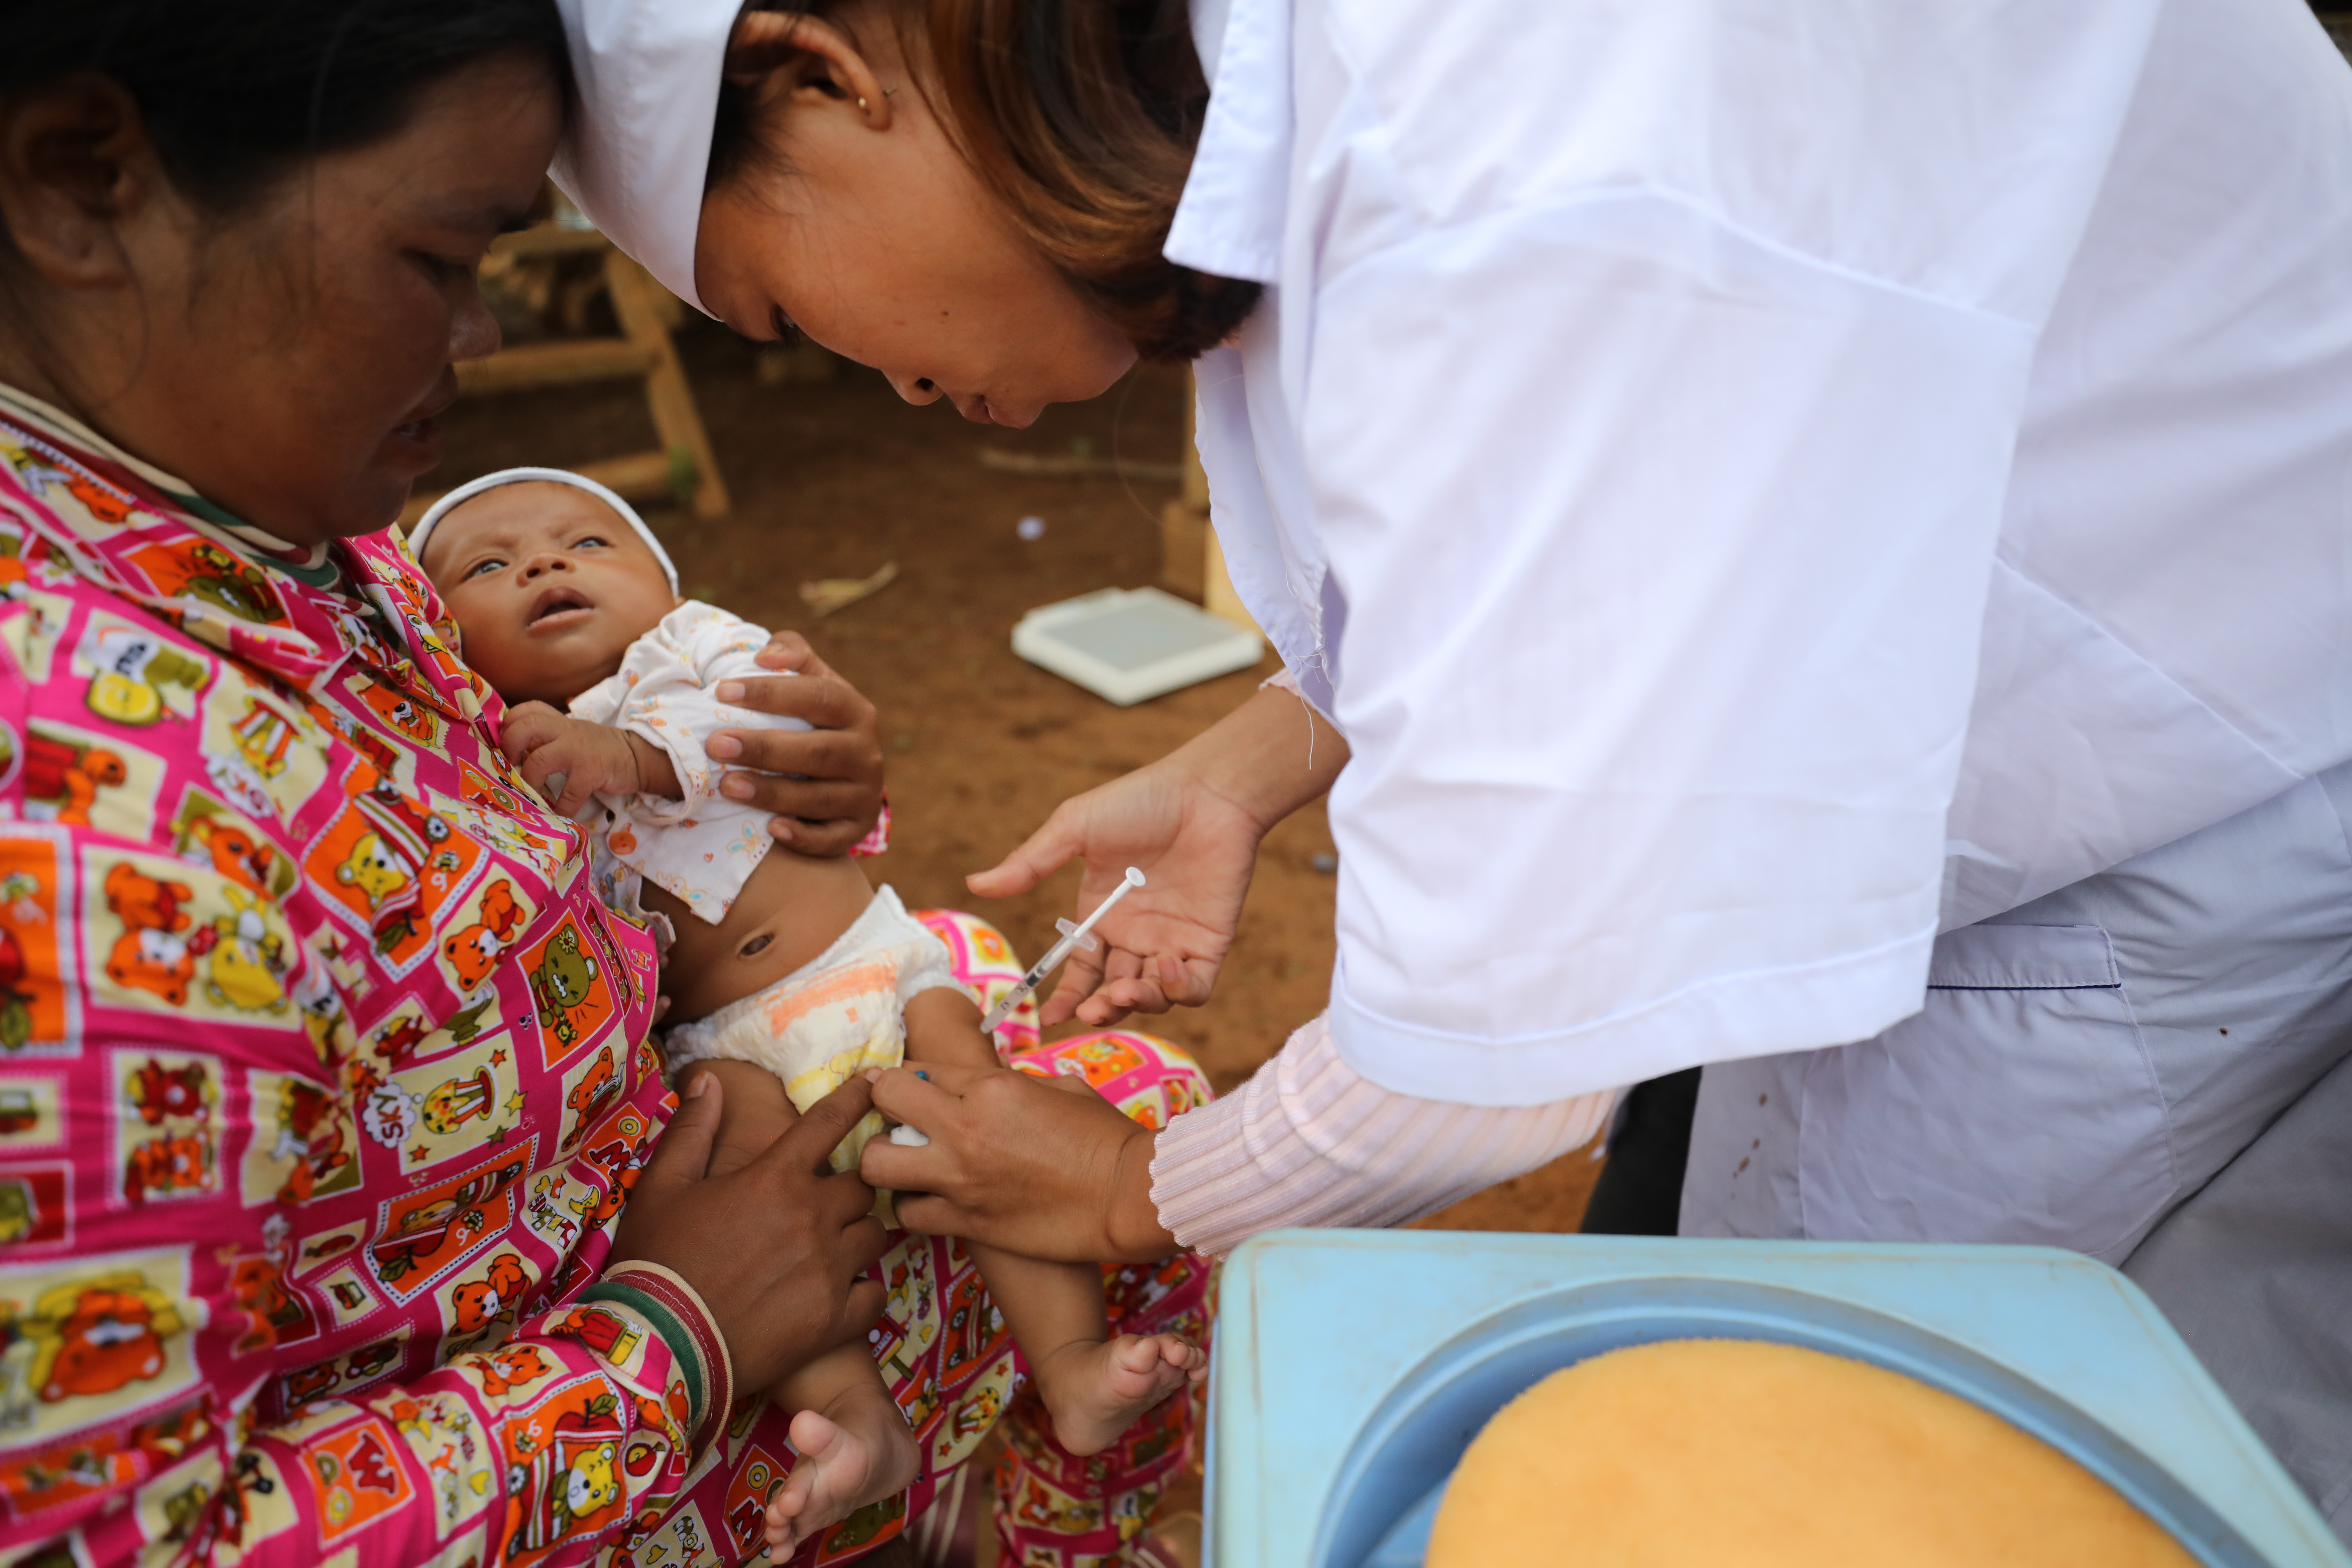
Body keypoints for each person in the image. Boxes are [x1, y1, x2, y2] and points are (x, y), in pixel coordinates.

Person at [550, 0, 2352, 1534]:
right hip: (2169, 700)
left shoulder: (1506, 168)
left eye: (791, 315)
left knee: (1860, 1463)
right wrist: (1255, 762)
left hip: (2176, 797)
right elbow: (1641, 541)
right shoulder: (1376, 90)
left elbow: (1505, 1046)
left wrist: (1126, 1187)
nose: (893, 384)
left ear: (819, 77)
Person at [0, 7, 1211, 1566]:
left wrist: (820, 799)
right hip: (645, 1389)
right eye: (442, 257)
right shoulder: (75, 831)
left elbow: (549, 820)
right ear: (82, 181)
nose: (481, 338)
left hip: (739, 1162)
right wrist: (675, 1334)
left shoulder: (301, 546)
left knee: (1126, 1124)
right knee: (1137, 1160)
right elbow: (100, 1537)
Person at [408, 469, 1207, 1553]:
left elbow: (748, 722)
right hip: (731, 1043)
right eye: (489, 568)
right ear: (438, 640)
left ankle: (1069, 1369)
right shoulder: (498, 749)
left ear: (665, 581)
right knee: (732, 1132)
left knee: (973, 1111)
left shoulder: (687, 647)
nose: (544, 565)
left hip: (876, 966)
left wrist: (624, 758)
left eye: (587, 542)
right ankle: (858, 1419)